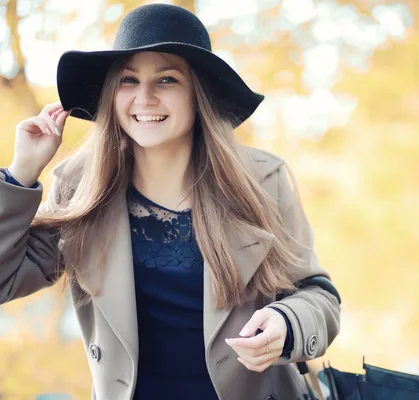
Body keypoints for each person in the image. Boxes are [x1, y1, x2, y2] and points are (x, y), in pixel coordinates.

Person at [0, 4, 340, 400]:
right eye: (129, 80)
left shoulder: (263, 180)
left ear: (199, 93)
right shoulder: (80, 187)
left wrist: (287, 323)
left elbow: (319, 295)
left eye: (166, 80)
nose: (144, 98)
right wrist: (19, 174)